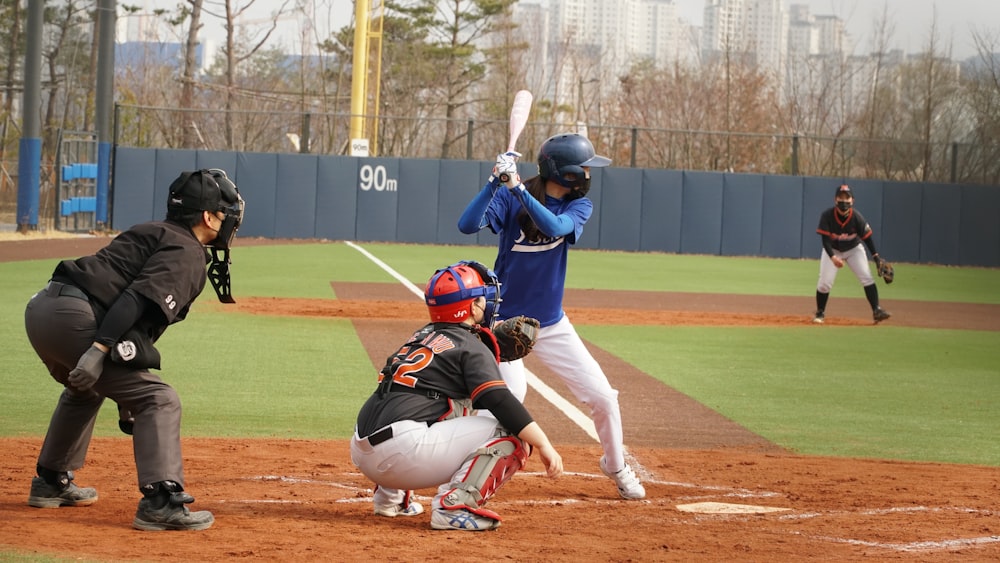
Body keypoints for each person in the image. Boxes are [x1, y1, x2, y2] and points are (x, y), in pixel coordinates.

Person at [23, 168, 245, 531]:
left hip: (42, 311)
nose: (229, 221)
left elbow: (132, 320)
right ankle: (160, 501)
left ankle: (50, 480)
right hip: (76, 320)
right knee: (159, 399)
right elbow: (132, 302)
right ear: (207, 216)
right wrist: (98, 350)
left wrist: (119, 384)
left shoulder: (152, 230)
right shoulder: (188, 250)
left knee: (87, 389)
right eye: (225, 213)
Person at [457, 133, 646, 500]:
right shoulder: (511, 196)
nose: (590, 173)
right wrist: (495, 181)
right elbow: (468, 224)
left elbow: (555, 228)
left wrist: (517, 190)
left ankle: (615, 464)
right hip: (503, 324)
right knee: (511, 395)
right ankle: (471, 469)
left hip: (551, 324)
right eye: (586, 166)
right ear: (566, 171)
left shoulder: (578, 207)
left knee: (604, 397)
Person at [350, 260, 563, 531]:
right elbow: (501, 401)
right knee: (512, 434)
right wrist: (543, 444)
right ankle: (454, 506)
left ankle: (391, 498)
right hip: (400, 453)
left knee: (447, 403)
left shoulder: (421, 336)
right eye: (482, 298)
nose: (487, 302)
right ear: (472, 306)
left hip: (362, 448)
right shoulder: (470, 347)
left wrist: (488, 346)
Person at [813, 183, 891, 324]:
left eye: (847, 198)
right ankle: (820, 312)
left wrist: (876, 257)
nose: (844, 201)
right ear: (835, 200)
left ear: (852, 201)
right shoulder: (827, 216)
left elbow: (867, 238)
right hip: (833, 250)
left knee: (867, 278)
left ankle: (876, 310)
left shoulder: (857, 218)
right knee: (825, 283)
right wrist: (833, 257)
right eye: (841, 197)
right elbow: (825, 241)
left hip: (853, 249)